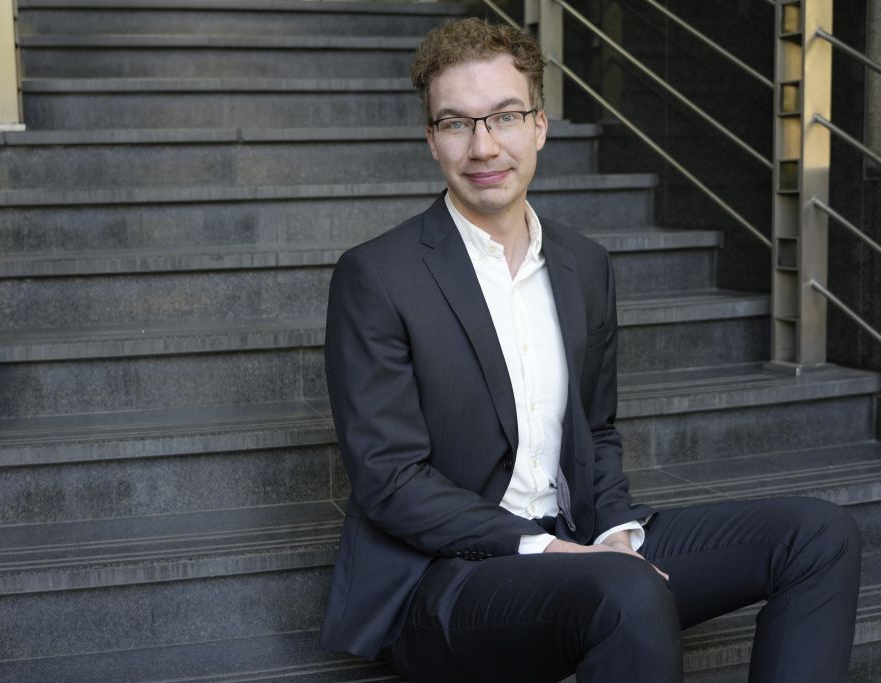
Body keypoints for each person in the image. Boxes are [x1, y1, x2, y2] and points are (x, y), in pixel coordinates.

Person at [319, 17, 861, 683]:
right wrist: (554, 550)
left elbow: (596, 430)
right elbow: (391, 481)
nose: (484, 146)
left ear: (540, 126)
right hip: (445, 580)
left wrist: (612, 533)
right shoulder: (378, 276)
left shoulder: (584, 264)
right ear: (432, 141)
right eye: (457, 123)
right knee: (626, 593)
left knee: (818, 534)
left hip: (578, 541)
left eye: (505, 116)